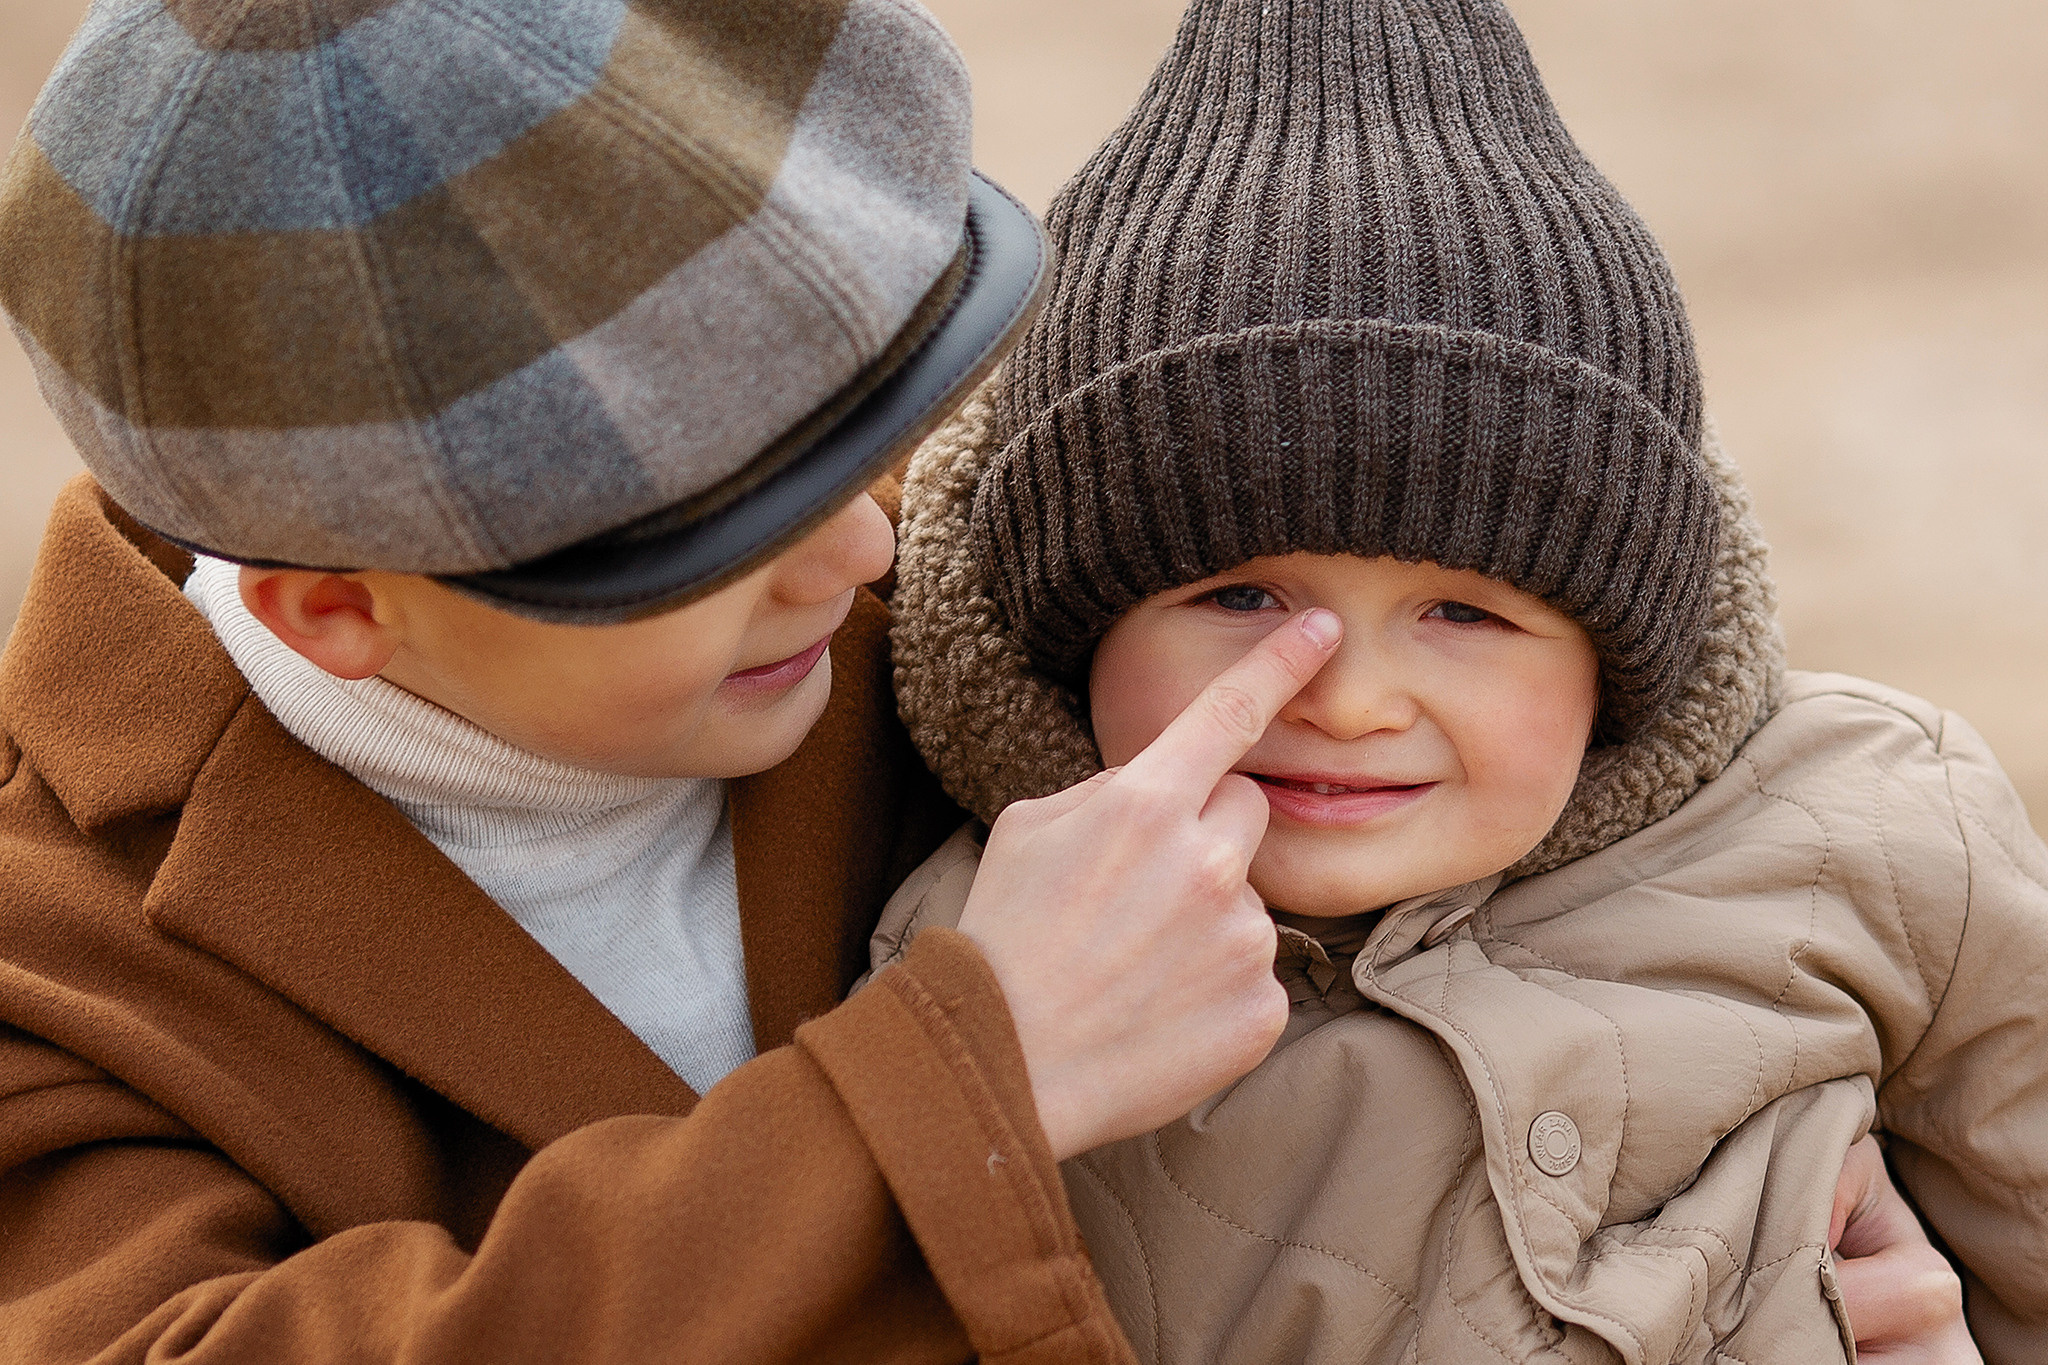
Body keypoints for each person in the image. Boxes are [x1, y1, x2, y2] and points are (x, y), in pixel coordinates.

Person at [0, 0, 1339, 1359]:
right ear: (339, 610)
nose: (865, 546)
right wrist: (962, 1088)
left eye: (862, 424)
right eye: (730, 529)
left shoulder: (985, 603)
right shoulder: (50, 964)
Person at [867, 0, 2047, 1359]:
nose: (1350, 700)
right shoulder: (981, 948)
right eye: (1241, 597)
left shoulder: (1879, 833)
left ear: (1619, 647)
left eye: (1463, 612)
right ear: (1069, 627)